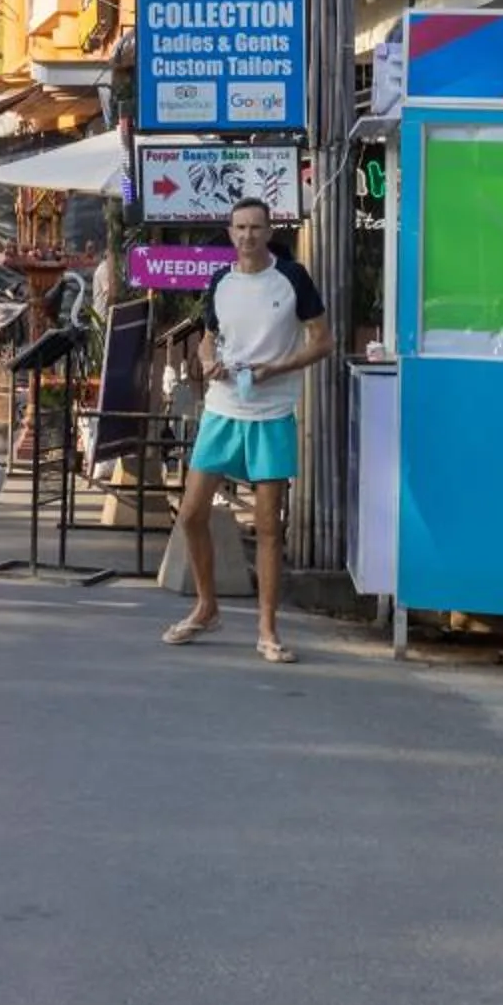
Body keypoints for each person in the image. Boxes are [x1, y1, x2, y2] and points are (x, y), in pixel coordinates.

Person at [165, 199, 330, 663]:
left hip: (272, 412)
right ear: (230, 231)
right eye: (240, 228)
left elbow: (323, 341)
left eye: (256, 227)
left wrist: (276, 368)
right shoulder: (221, 280)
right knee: (191, 513)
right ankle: (207, 608)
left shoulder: (292, 278)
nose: (247, 236)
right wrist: (206, 361)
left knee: (268, 525)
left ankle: (267, 630)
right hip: (222, 409)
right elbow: (208, 339)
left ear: (270, 231)